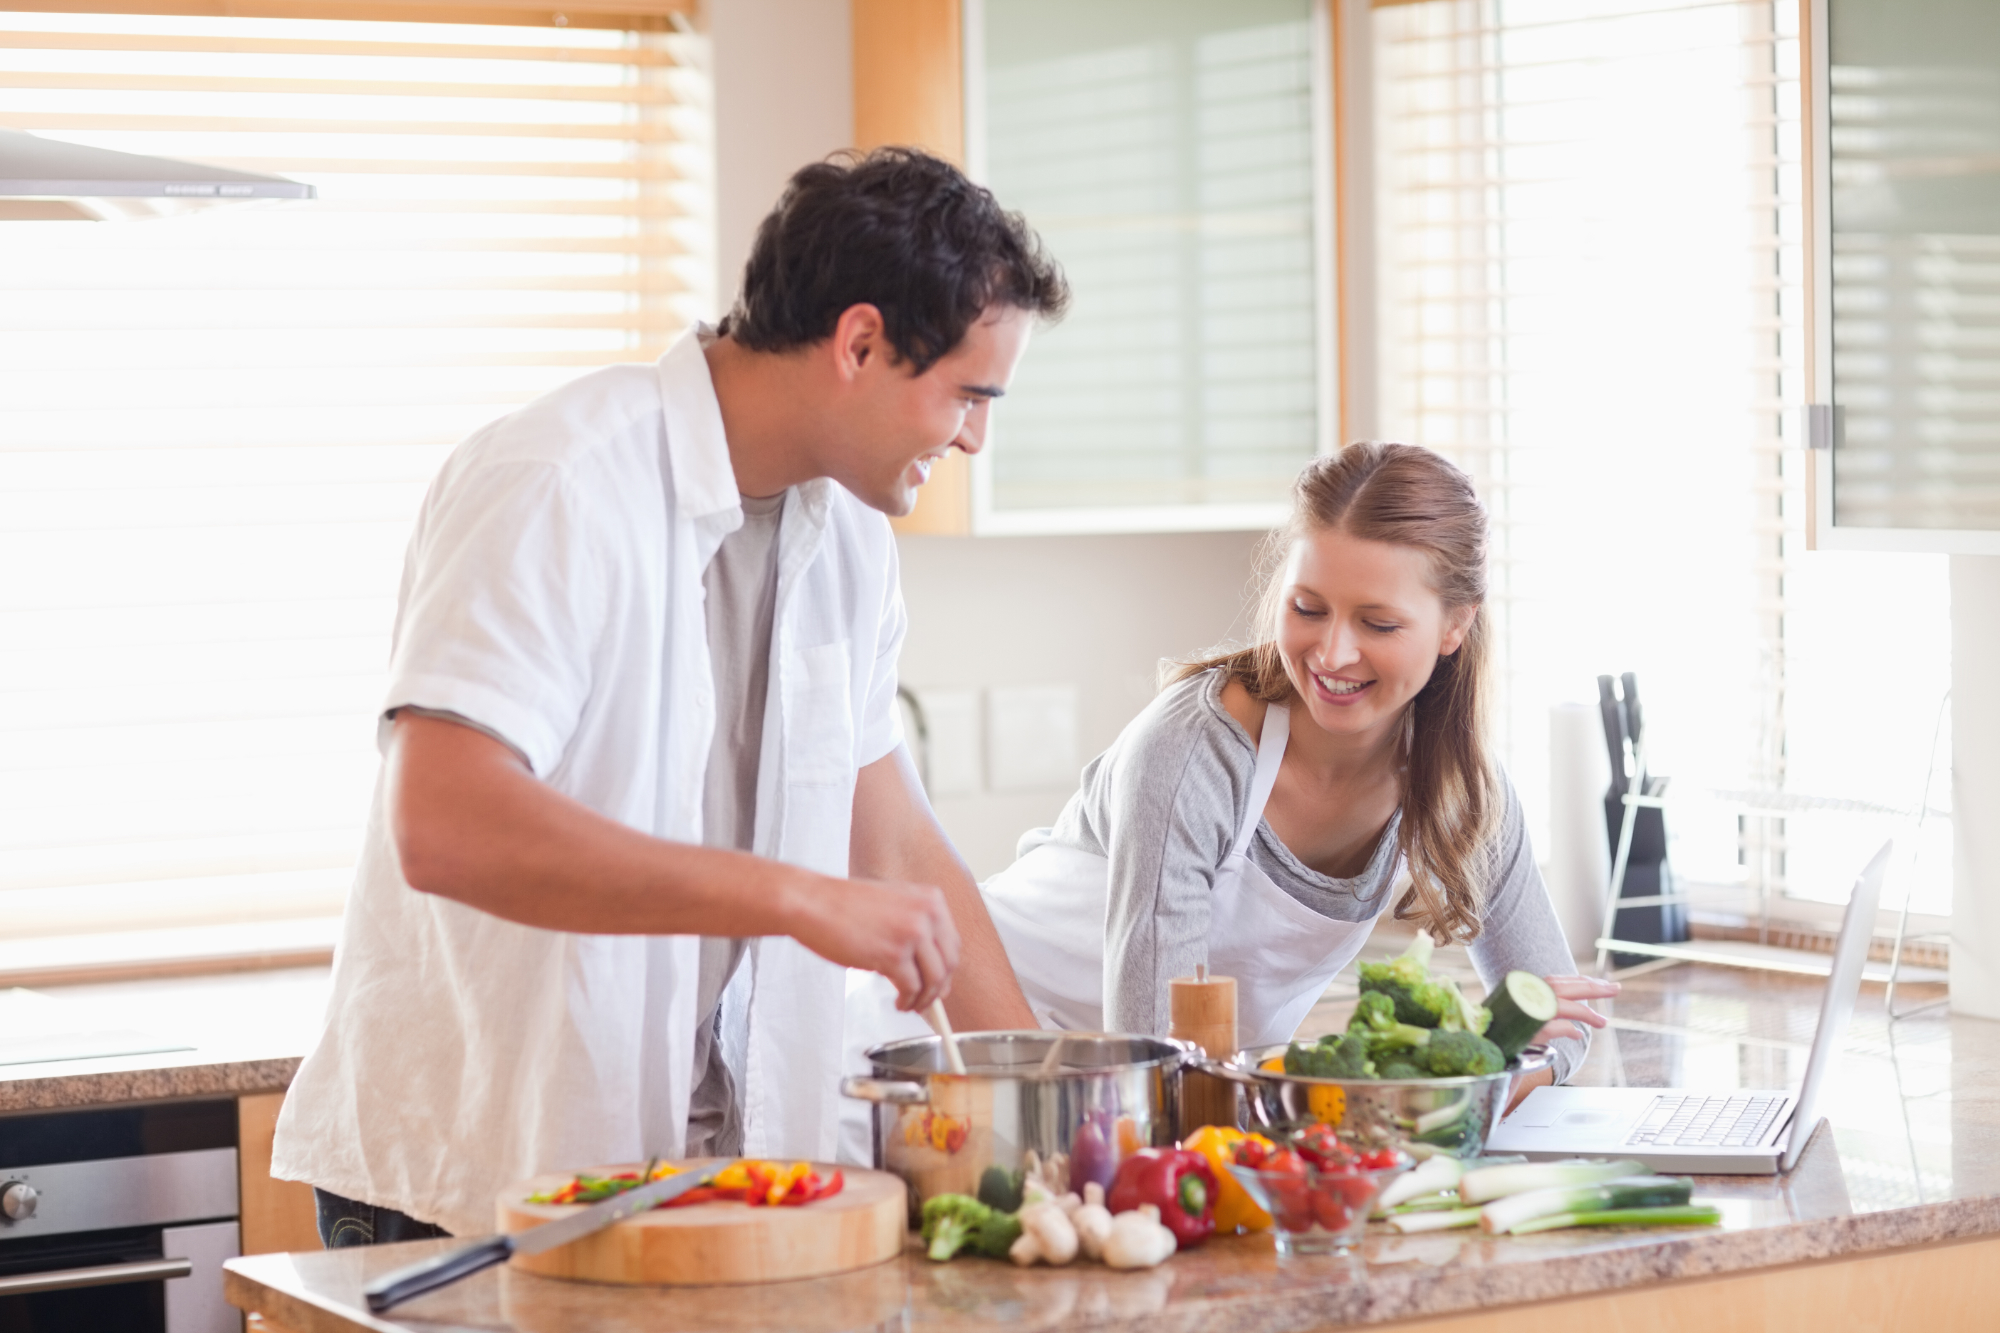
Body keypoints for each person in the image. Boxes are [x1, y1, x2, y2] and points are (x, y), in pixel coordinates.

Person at [272, 148, 1065, 1243]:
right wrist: (791, 895)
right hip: (470, 1182)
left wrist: (1058, 1138)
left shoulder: (846, 536)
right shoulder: (558, 479)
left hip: (702, 1178)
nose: (976, 435)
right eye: (968, 394)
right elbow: (444, 826)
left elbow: (894, 847)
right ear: (860, 342)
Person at [978, 443, 1615, 1096]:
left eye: (1378, 622)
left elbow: (1565, 1021)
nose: (1333, 652)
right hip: (978, 1043)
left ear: (1455, 624)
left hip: (1159, 1097)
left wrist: (1474, 1082)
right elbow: (1156, 1053)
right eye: (1308, 608)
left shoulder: (1463, 791)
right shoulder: (1194, 752)